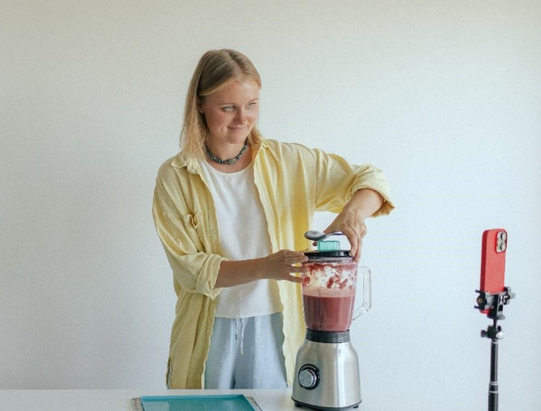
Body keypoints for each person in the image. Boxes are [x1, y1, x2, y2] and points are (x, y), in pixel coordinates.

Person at [152, 49, 394, 390]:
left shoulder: (289, 162)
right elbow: (191, 270)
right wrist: (267, 267)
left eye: (251, 105)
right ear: (200, 106)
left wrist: (352, 212)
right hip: (208, 329)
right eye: (228, 108)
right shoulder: (174, 177)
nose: (243, 119)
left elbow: (372, 179)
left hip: (277, 327)